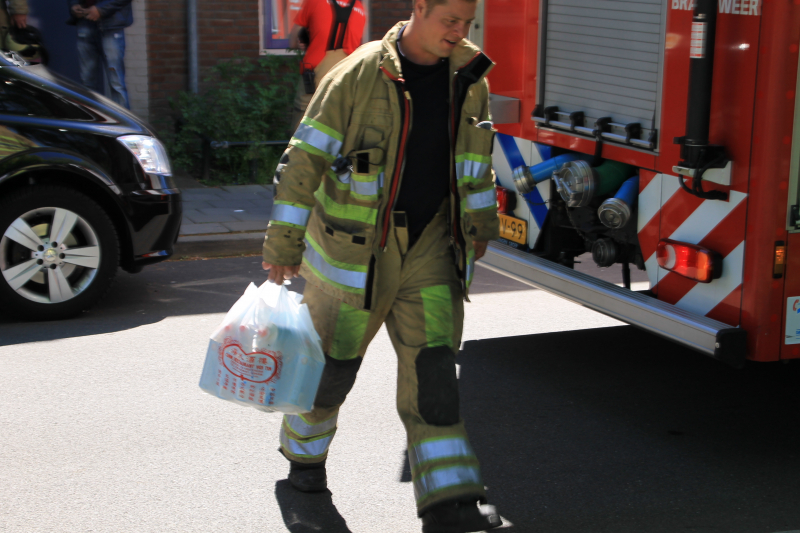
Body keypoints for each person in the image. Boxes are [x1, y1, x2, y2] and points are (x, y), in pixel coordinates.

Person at [262, 0, 502, 530]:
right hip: (354, 257)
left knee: (434, 376)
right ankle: (305, 459)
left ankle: (449, 500)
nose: (460, 33)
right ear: (419, 7)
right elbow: (304, 161)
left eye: (468, 22)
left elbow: (475, 164)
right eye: (450, 21)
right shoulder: (357, 74)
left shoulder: (470, 78)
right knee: (331, 372)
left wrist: (480, 225)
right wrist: (283, 244)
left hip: (434, 248)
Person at [287, 0, 366, 132]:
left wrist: (307, 41)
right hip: (347, 72)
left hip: (316, 73)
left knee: (304, 116)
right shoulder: (359, 8)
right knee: (338, 120)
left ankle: (300, 152)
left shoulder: (314, 2)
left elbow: (293, 42)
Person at [67, 0, 132, 109]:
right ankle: (92, 123)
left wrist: (101, 9)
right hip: (85, 21)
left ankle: (123, 125)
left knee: (116, 84)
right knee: (87, 83)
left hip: (110, 24)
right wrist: (73, 5)